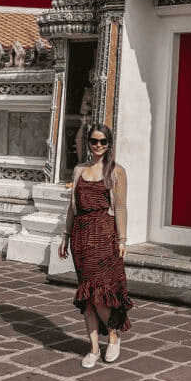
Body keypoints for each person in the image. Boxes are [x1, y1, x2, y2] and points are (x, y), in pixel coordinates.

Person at [58, 122, 132, 368]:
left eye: (103, 141)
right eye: (94, 141)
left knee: (100, 294)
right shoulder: (79, 170)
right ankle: (93, 348)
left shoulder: (116, 171)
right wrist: (65, 235)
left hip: (104, 236)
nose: (98, 145)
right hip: (81, 237)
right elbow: (72, 207)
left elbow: (120, 207)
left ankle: (113, 335)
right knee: (87, 296)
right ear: (88, 143)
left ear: (109, 144)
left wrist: (122, 239)